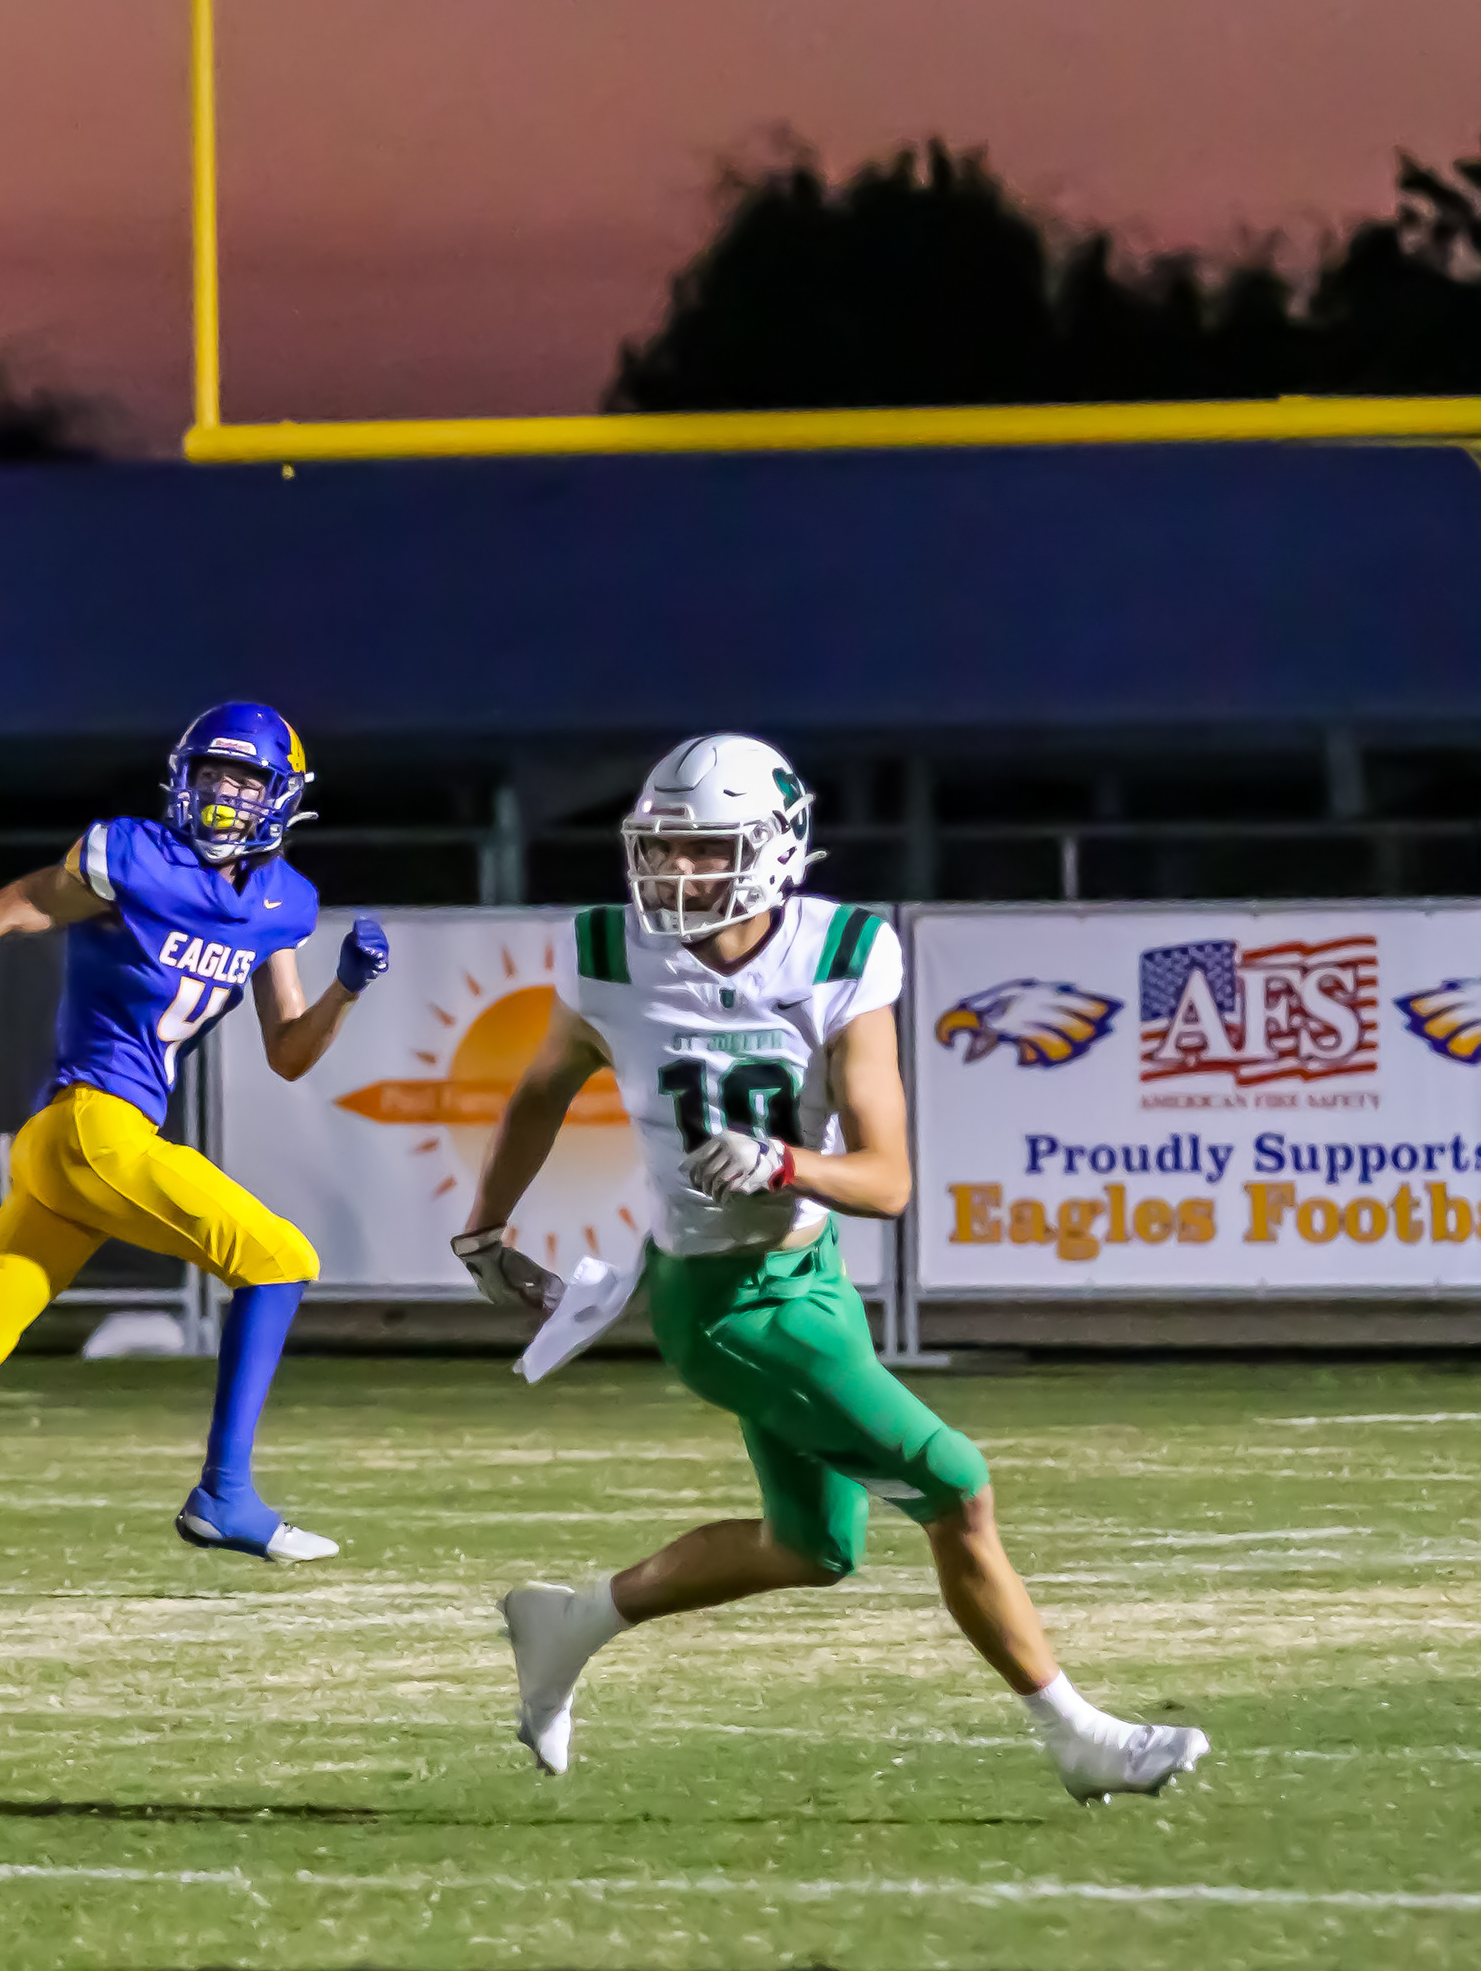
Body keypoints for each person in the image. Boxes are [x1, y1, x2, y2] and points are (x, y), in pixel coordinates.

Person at [454, 733, 1208, 1804]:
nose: (674, 873)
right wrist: (485, 1228)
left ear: (773, 848)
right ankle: (1078, 1736)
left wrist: (781, 1161)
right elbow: (541, 1089)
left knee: (812, 1547)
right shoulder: (606, 951)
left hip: (812, 1273)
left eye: (705, 850)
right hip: (722, 1303)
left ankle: (572, 1620)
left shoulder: (844, 950)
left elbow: (888, 1179)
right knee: (956, 1484)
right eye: (661, 848)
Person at [0, 703, 387, 1598]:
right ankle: (224, 1496)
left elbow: (289, 1051)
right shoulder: (131, 856)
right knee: (282, 1260)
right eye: (211, 773)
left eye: (245, 780)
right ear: (181, 776)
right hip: (90, 1128)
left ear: (283, 797)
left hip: (83, 1145)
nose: (223, 793)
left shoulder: (284, 902)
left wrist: (346, 990)